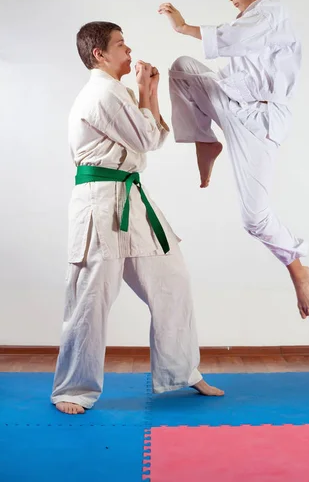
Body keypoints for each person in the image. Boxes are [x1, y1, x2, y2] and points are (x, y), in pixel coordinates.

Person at [51, 21, 224, 415]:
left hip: (129, 197)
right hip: (99, 203)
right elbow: (148, 139)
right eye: (121, 46)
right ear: (100, 55)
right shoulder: (102, 92)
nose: (129, 52)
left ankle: (182, 370)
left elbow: (153, 137)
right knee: (91, 297)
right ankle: (73, 388)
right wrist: (147, 93)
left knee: (173, 280)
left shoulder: (119, 92)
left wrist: (148, 92)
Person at [159, 0, 309, 320]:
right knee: (182, 69)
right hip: (231, 102)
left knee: (254, 219)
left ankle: (297, 267)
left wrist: (183, 28)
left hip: (259, 120)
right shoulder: (247, 19)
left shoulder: (271, 10)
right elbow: (232, 43)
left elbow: (234, 39)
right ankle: (206, 141)